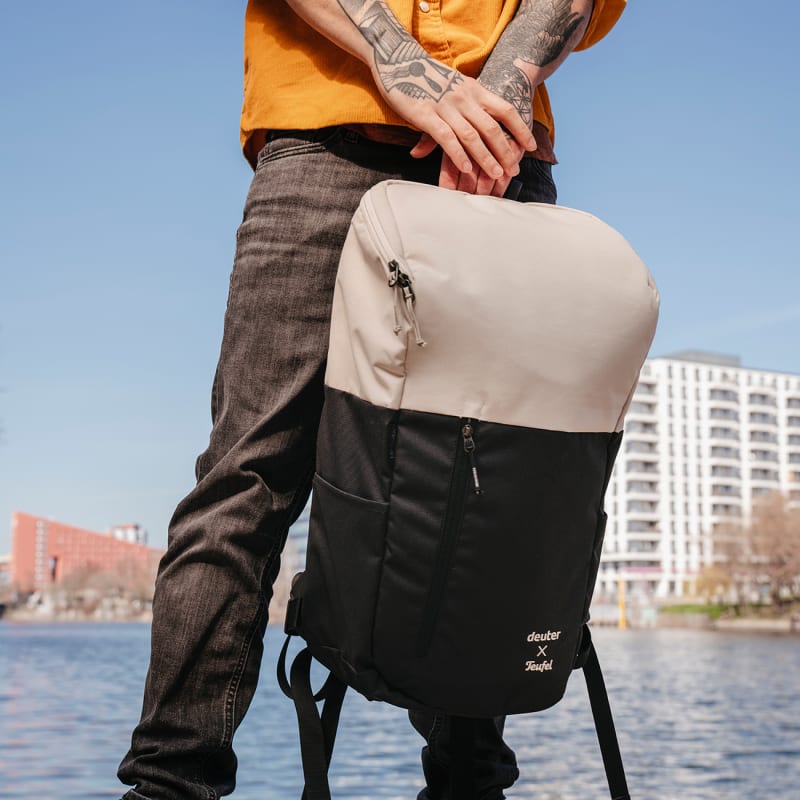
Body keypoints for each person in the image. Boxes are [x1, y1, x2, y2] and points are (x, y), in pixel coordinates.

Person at [118, 2, 626, 798]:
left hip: (499, 151)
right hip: (327, 135)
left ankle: (469, 787)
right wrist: (407, 72)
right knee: (247, 479)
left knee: (490, 490)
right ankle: (168, 786)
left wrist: (500, 87)